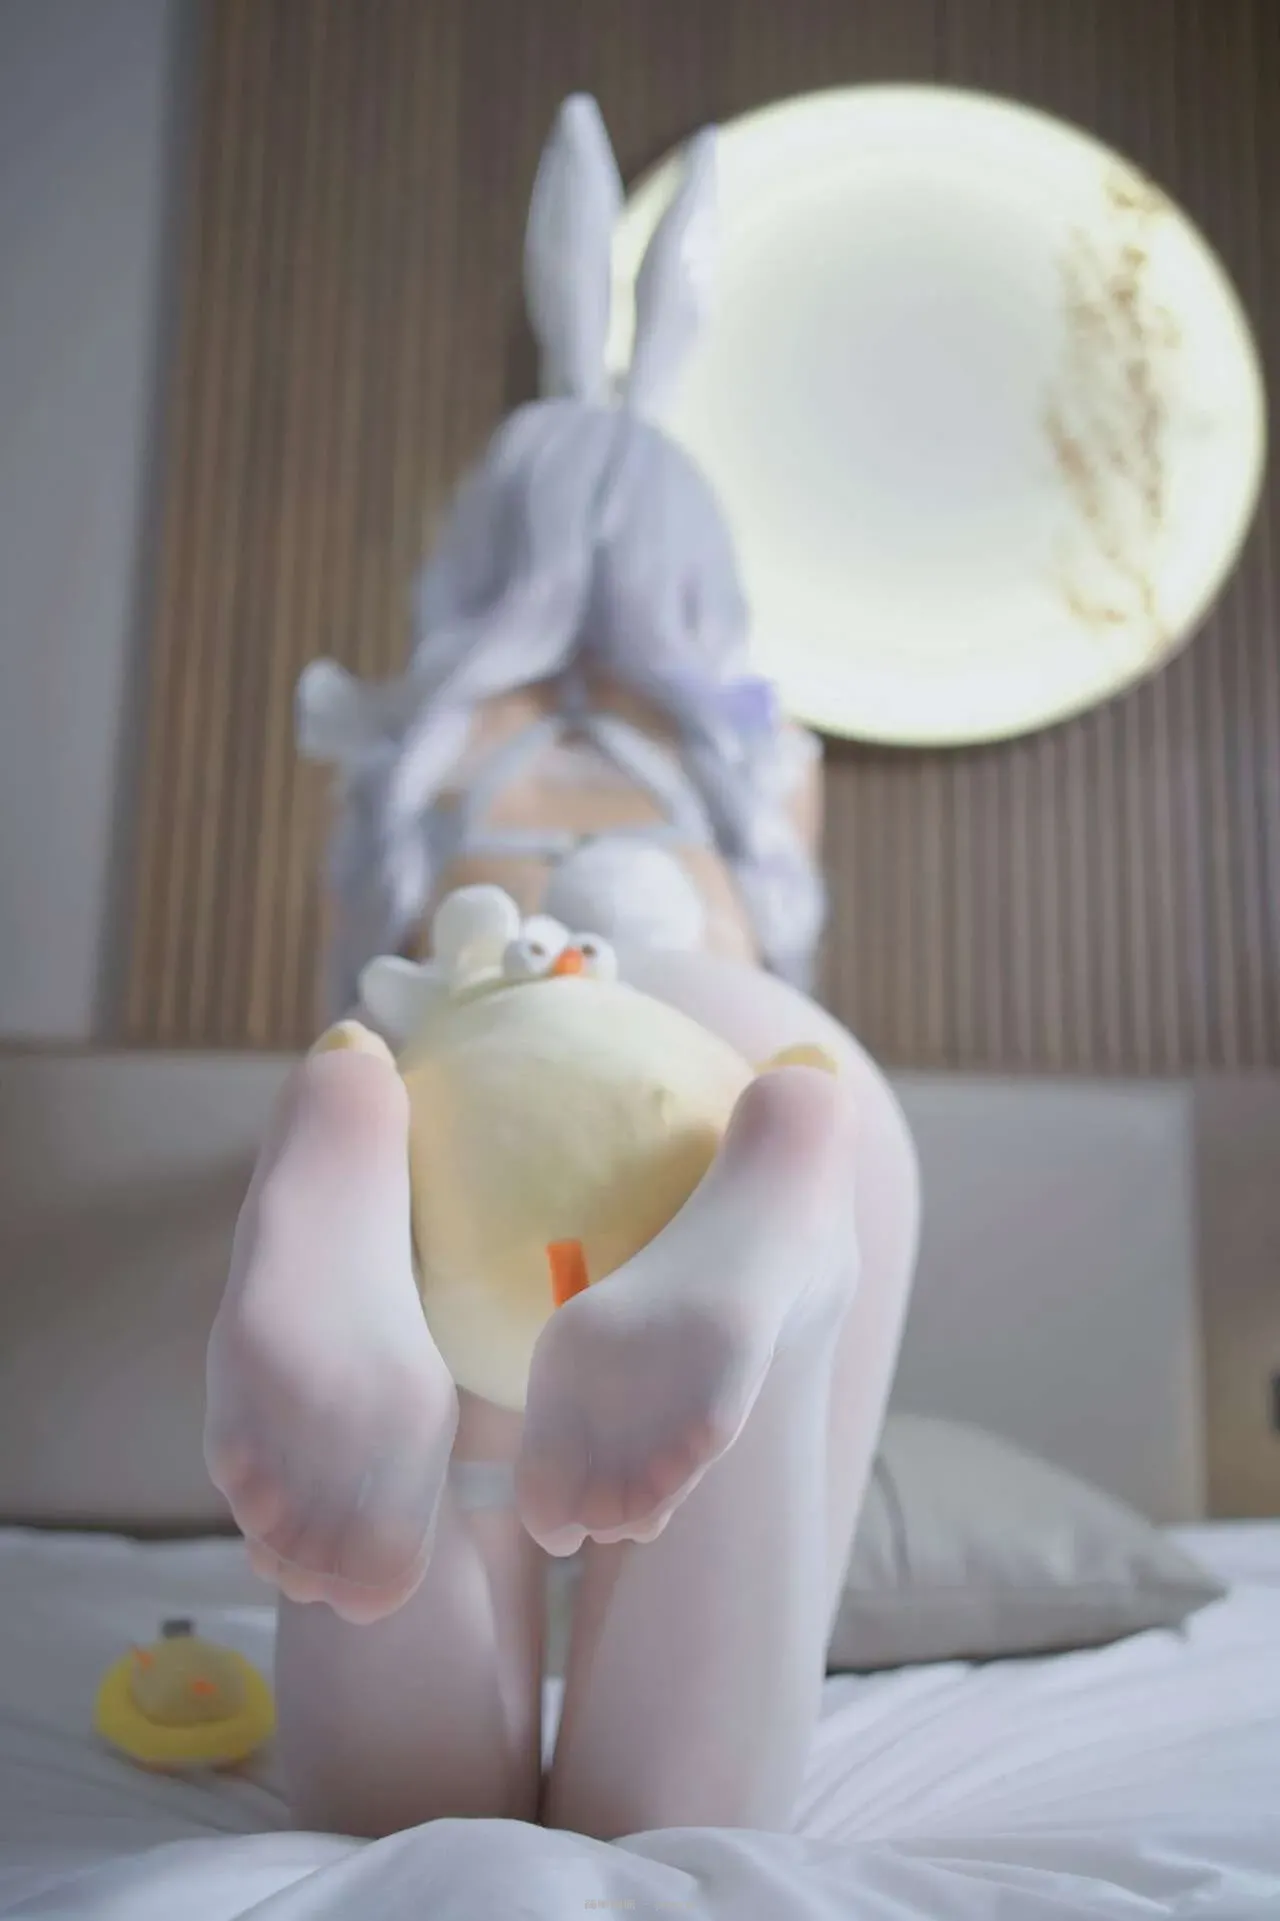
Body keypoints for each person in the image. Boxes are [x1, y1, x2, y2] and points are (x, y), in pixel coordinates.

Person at [203, 94, 920, 1841]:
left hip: (463, 1057)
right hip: (745, 1053)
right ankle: (792, 1259)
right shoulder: (758, 758)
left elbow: (359, 960)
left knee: (396, 1812)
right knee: (685, 1818)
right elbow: (772, 942)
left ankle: (364, 1204)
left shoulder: (419, 737)